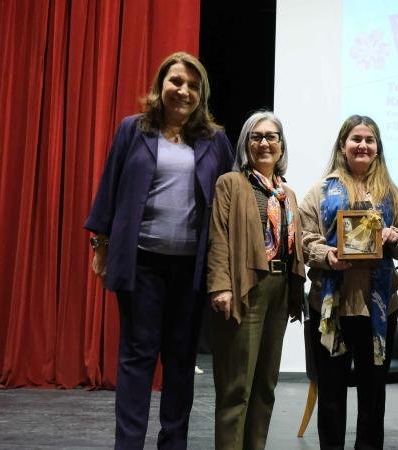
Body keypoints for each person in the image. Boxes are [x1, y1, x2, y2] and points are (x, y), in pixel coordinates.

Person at [84, 51, 234, 449]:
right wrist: (100, 244)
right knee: (137, 360)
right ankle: (128, 444)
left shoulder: (215, 141)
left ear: (202, 94)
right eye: (176, 82)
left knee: (181, 363)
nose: (183, 91)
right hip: (141, 264)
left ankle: (173, 444)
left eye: (192, 85)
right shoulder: (133, 130)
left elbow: (230, 204)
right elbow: (110, 189)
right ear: (160, 85)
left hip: (192, 269)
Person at [299, 115, 398, 450]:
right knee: (331, 394)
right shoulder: (319, 191)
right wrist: (328, 255)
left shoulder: (391, 193)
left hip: (378, 307)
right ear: (342, 145)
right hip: (331, 305)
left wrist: (395, 236)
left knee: (373, 394)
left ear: (377, 149)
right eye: (356, 139)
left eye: (370, 140)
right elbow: (305, 242)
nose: (363, 145)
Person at [206, 111, 306, 450]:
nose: (265, 143)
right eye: (257, 136)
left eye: (272, 136)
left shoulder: (287, 193)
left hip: (280, 290)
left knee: (265, 385)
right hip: (245, 287)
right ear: (246, 144)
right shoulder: (231, 183)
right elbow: (218, 237)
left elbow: (293, 246)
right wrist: (220, 285)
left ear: (281, 145)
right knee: (237, 387)